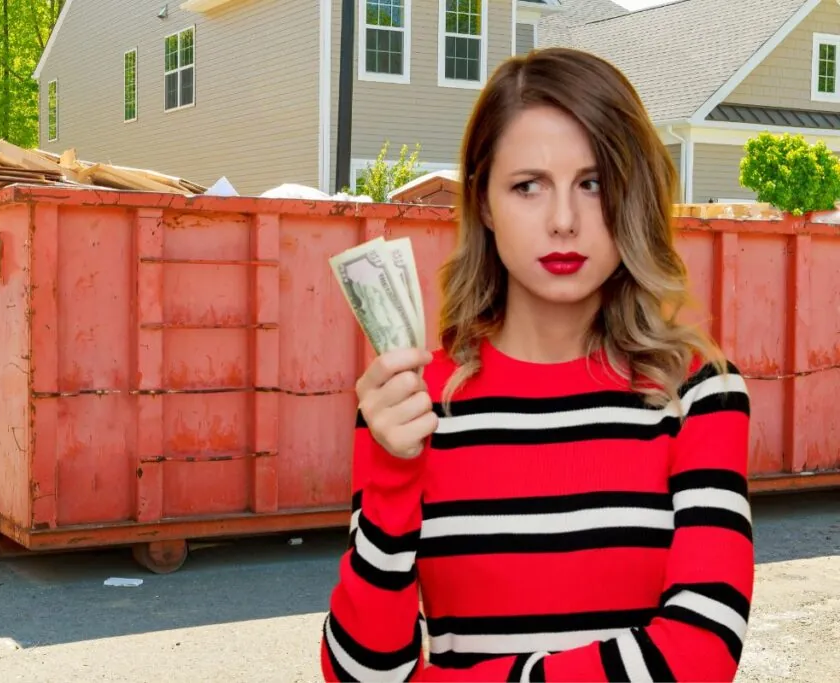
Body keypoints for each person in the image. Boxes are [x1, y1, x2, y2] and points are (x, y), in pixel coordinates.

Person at [320, 47, 753, 683]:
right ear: (486, 203)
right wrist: (392, 471)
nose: (563, 221)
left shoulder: (697, 392)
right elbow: (362, 674)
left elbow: (700, 651)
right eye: (528, 186)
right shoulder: (413, 401)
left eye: (594, 182)